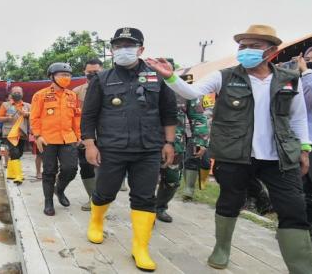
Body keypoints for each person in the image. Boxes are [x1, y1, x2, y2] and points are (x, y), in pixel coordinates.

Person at [146, 24, 312, 273]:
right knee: (229, 202)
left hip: (280, 156)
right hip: (234, 154)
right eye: (242, 47)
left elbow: (298, 117)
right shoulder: (224, 76)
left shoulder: (289, 80)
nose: (246, 51)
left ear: (272, 51)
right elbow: (192, 92)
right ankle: (221, 248)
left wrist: (304, 148)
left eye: (253, 47)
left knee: (294, 210)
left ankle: (301, 267)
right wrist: (170, 76)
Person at [81, 27, 177, 272]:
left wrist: (169, 143)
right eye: (118, 45)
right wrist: (90, 144)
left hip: (148, 149)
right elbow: (89, 115)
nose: (123, 50)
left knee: (145, 197)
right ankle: (96, 221)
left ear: (141, 49)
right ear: (112, 50)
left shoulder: (157, 77)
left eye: (129, 45)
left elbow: (169, 112)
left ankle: (140, 247)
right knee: (105, 191)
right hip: (112, 147)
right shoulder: (101, 79)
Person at [156, 74, 209, 222]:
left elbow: (198, 117)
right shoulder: (143, 89)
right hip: (147, 145)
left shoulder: (183, 92)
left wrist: (201, 141)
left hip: (175, 146)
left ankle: (159, 207)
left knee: (172, 181)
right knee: (145, 181)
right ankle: (145, 212)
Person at [30, 62, 81, 216]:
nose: (66, 78)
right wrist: (38, 136)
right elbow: (35, 117)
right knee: (49, 171)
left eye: (68, 75)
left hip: (68, 138)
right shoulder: (40, 95)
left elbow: (76, 117)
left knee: (71, 169)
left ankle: (59, 190)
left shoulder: (72, 95)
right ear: (52, 77)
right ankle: (48, 201)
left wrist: (78, 135)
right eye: (62, 75)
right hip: (48, 139)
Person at [73, 58, 103, 211]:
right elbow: (70, 116)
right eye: (89, 72)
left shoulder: (111, 88)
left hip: (106, 135)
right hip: (84, 135)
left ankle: (101, 199)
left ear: (102, 70)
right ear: (84, 72)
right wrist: (77, 135)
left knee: (104, 167)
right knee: (86, 166)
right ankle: (92, 198)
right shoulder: (76, 92)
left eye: (96, 72)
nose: (92, 74)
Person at [0, 86, 30, 184]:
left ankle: (11, 173)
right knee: (15, 152)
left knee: (19, 153)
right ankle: (18, 176)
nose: (17, 94)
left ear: (22, 94)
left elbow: (34, 115)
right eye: (15, 92)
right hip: (10, 133)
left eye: (19, 92)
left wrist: (27, 114)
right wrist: (7, 118)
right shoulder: (5, 105)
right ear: (11, 94)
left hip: (22, 133)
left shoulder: (27, 105)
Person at [298, 47, 312, 238]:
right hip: (304, 143)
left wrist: (306, 72)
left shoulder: (307, 78)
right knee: (302, 189)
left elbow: (308, 99)